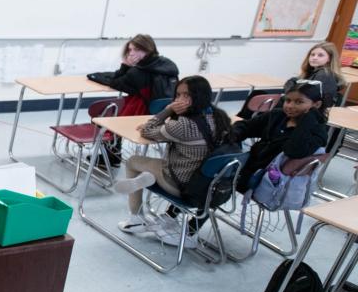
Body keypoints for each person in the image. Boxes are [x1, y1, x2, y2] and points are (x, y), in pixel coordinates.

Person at [113, 76, 232, 248]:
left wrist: (168, 109)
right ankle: (152, 185)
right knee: (174, 162)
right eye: (178, 95)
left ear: (199, 96)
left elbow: (147, 129)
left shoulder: (183, 125)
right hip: (210, 186)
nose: (180, 100)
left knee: (133, 161)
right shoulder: (220, 118)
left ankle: (136, 218)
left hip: (180, 185)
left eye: (187, 95)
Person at [87, 34, 179, 165]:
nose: (131, 53)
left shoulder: (137, 72)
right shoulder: (168, 65)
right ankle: (113, 155)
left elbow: (116, 83)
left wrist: (125, 65)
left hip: (142, 111)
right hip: (164, 112)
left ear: (147, 49)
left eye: (136, 50)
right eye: (130, 50)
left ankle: (112, 157)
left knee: (105, 116)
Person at [231, 80, 329, 194]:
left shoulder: (317, 131)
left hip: (271, 184)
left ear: (316, 105)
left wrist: (308, 118)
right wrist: (234, 135)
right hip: (249, 168)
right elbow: (246, 126)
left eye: (299, 102)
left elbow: (293, 150)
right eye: (288, 101)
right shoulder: (278, 116)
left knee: (214, 176)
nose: (290, 106)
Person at [237, 42, 345, 119]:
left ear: (329, 59)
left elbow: (300, 95)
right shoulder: (314, 73)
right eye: (312, 55)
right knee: (257, 94)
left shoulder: (324, 75)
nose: (315, 58)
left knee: (257, 96)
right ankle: (241, 122)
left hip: (298, 112)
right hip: (294, 106)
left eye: (320, 55)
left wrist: (292, 83)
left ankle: (240, 124)